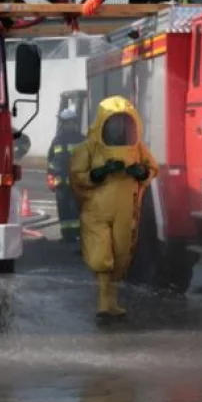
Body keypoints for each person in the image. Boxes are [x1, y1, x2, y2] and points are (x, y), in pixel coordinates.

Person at [70, 95, 158, 318]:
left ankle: (111, 302)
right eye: (115, 123)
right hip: (97, 211)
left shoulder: (137, 148)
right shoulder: (88, 148)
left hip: (126, 210)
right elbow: (77, 176)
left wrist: (141, 172)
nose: (119, 129)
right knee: (102, 256)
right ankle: (103, 301)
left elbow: (152, 168)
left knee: (121, 255)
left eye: (124, 124)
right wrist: (100, 173)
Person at [47, 108, 86, 242]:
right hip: (60, 184)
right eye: (63, 122)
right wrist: (51, 178)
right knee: (63, 211)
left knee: (76, 210)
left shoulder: (81, 140)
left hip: (76, 184)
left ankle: (79, 235)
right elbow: (51, 161)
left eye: (67, 122)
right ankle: (67, 235)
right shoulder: (56, 140)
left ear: (73, 122)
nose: (65, 125)